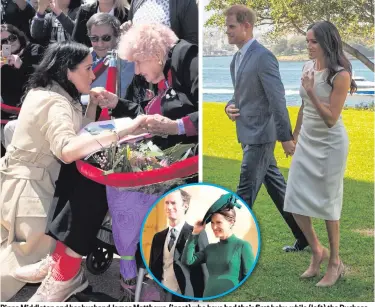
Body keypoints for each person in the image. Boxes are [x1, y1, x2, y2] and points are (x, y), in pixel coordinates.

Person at [2, 41, 145, 302]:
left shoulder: (44, 93)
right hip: (34, 198)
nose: (93, 75)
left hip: (20, 189)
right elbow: (68, 149)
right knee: (9, 275)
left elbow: (80, 132)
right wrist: (124, 130)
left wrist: (91, 104)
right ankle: (63, 271)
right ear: (67, 70)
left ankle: (61, 267)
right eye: (88, 68)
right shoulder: (55, 103)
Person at [223, 5, 307, 252]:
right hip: (248, 133)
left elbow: (277, 99)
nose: (227, 32)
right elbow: (240, 96)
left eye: (231, 26)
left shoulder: (263, 57)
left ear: (246, 26)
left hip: (261, 136)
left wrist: (286, 137)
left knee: (244, 191)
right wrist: (229, 107)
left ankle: (226, 247)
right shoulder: (236, 59)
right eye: (226, 27)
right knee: (278, 189)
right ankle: (303, 236)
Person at [284, 21, 355, 287]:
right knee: (293, 197)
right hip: (307, 141)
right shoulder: (307, 68)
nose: (309, 47)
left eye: (313, 42)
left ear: (326, 42)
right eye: (307, 42)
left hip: (330, 144)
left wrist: (313, 91)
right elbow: (303, 107)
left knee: (328, 203)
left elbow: (331, 119)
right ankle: (316, 249)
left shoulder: (341, 75)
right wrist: (294, 135)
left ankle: (334, 262)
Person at [98, 22, 199, 148]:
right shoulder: (161, 69)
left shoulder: (187, 55)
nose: (136, 71)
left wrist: (176, 127)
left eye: (138, 62)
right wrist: (117, 103)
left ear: (156, 54)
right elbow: (149, 116)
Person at [182, 193, 255, 297]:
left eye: (218, 222)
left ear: (231, 222)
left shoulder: (242, 246)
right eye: (212, 223)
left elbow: (250, 280)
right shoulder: (210, 249)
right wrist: (195, 233)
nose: (214, 227)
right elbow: (187, 261)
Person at [149, 189, 208, 299]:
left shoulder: (197, 234)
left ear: (185, 206)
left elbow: (204, 271)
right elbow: (153, 267)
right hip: (161, 296)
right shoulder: (158, 237)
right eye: (166, 203)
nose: (169, 207)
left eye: (173, 203)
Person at [1, 24, 44, 152]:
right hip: (7, 108)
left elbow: (44, 77)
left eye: (12, 38)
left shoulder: (35, 50)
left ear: (18, 36)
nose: (9, 42)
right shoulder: (2, 58)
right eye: (3, 41)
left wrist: (22, 65)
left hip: (30, 107)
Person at [85, 13, 134, 99]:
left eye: (106, 38)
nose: (100, 44)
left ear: (117, 37)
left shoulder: (126, 60)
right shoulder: (84, 56)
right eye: (94, 38)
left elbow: (121, 95)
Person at [125, 0, 198, 45]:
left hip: (168, 67)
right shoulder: (136, 1)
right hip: (136, 66)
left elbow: (193, 40)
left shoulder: (185, 2)